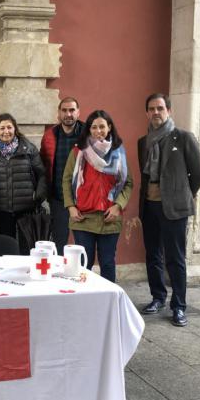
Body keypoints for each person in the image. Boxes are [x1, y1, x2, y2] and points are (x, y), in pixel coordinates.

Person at [138, 93, 200, 327]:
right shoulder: (143, 142)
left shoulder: (184, 138)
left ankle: (179, 306)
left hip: (174, 208)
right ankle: (158, 297)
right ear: (147, 112)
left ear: (169, 111)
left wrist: (182, 193)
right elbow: (145, 176)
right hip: (149, 205)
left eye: (160, 108)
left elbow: (197, 174)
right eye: (151, 108)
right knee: (153, 255)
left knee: (175, 258)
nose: (156, 112)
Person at [62, 110, 133, 282]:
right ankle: (84, 300)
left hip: (109, 217)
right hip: (83, 218)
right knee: (83, 265)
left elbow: (128, 183)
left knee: (107, 263)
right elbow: (66, 180)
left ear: (109, 128)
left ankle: (107, 301)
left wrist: (118, 206)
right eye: (94, 127)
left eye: (102, 126)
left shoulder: (118, 152)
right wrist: (71, 207)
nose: (98, 131)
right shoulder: (79, 152)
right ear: (88, 129)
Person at [0, 113, 46, 243]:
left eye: (9, 127)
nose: (6, 131)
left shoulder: (29, 149)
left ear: (15, 129)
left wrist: (38, 197)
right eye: (2, 128)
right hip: (2, 210)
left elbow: (41, 173)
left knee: (27, 247)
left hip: (26, 208)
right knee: (7, 247)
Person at [40, 97, 85, 254]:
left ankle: (81, 277)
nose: (68, 114)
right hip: (58, 199)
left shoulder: (88, 134)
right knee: (59, 243)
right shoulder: (49, 136)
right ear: (58, 113)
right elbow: (43, 165)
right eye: (64, 110)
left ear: (78, 112)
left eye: (72, 110)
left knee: (83, 245)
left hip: (84, 200)